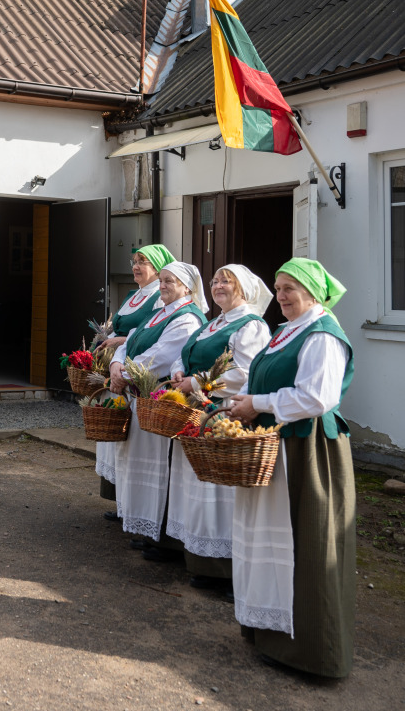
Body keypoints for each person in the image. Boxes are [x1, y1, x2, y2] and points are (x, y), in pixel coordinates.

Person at [228, 258, 355, 678]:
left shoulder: (322, 335)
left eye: (290, 288)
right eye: (278, 288)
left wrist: (259, 404)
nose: (281, 296)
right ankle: (267, 631)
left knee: (306, 544)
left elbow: (317, 398)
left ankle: (309, 652)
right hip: (272, 443)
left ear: (314, 293)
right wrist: (242, 402)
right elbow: (257, 375)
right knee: (266, 538)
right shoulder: (285, 332)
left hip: (308, 449)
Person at [167, 265, 272, 598]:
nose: (218, 285)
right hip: (199, 410)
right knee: (200, 486)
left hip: (225, 414)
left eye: (227, 281)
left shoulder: (252, 325)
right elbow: (184, 354)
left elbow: (245, 372)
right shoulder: (214, 323)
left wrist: (197, 382)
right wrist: (178, 372)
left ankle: (225, 568)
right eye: (214, 281)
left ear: (244, 287)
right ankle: (200, 560)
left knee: (221, 491)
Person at [108, 261, 208, 555]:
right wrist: (116, 364)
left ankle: (161, 533)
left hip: (162, 402)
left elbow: (160, 357)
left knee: (159, 469)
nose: (162, 286)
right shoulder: (160, 312)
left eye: (170, 281)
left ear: (187, 287)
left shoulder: (187, 318)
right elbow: (129, 343)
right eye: (161, 280)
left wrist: (122, 373)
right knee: (138, 464)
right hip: (140, 396)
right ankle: (143, 525)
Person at [95, 244, 176, 515]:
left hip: (139, 373)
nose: (136, 266)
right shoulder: (134, 295)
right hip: (120, 366)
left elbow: (151, 334)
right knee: (117, 437)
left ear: (159, 268)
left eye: (144, 261)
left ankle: (134, 508)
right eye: (135, 261)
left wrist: (121, 342)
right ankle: (122, 502)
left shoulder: (158, 297)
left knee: (133, 440)